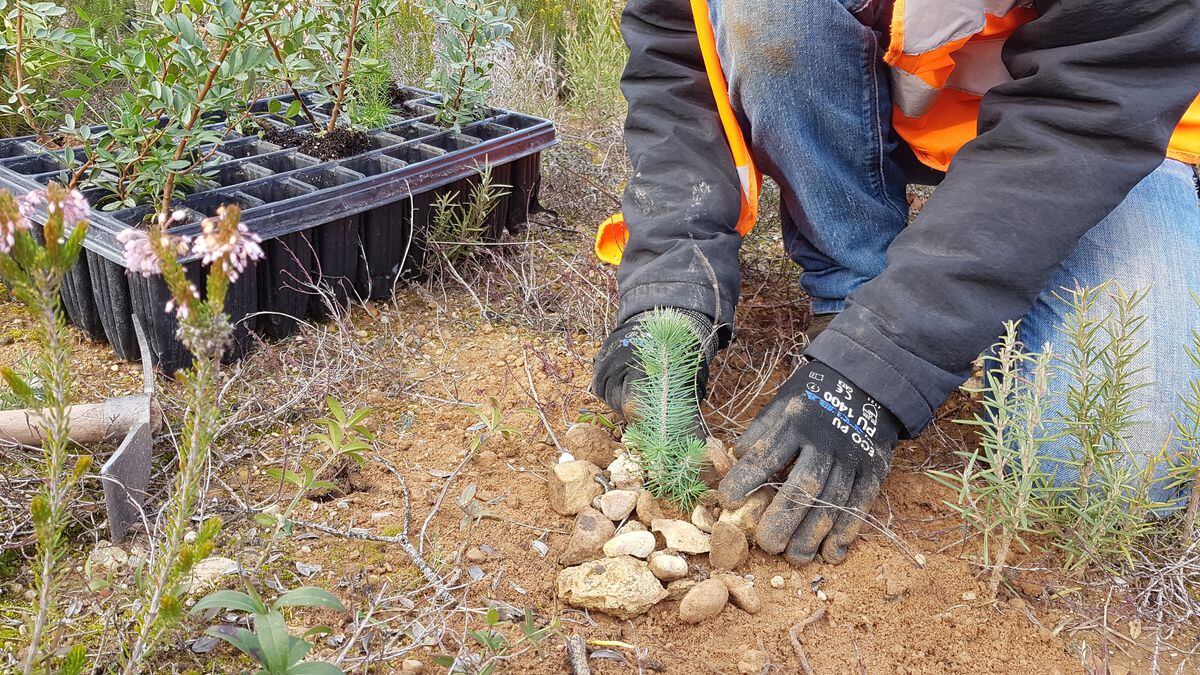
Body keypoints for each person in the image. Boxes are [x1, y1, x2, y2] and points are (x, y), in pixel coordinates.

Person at [591, 0, 1200, 567]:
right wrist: (667, 289)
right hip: (864, 105)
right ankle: (853, 287)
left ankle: (887, 312)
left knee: (1105, 473)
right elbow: (680, 58)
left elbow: (1097, 100)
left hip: (1106, 128)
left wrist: (882, 366)